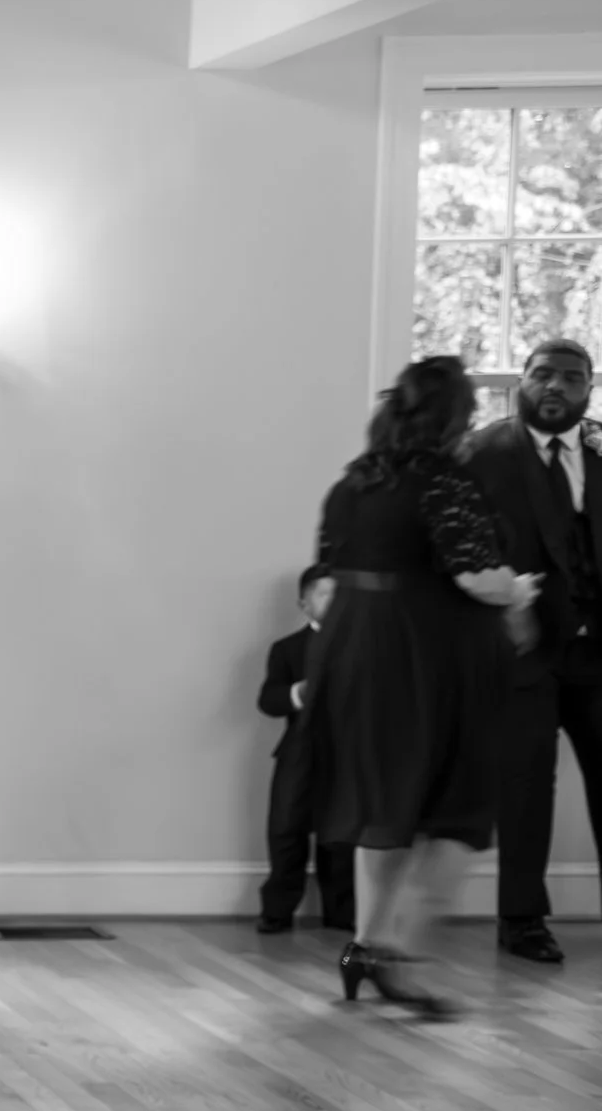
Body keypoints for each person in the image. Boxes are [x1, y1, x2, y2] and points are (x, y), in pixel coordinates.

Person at [311, 355, 537, 1020]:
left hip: (354, 648)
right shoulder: (443, 481)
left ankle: (364, 945)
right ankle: (397, 954)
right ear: (453, 419)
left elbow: (326, 575)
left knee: (387, 805)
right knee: (457, 808)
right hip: (425, 657)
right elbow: (474, 574)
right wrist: (517, 590)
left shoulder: (352, 484)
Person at [458, 337, 600, 965]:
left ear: (588, 391)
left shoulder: (600, 451)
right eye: (542, 374)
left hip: (598, 654)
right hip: (521, 648)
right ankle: (521, 920)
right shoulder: (482, 454)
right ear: (522, 381)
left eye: (571, 378)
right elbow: (459, 549)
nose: (555, 386)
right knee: (523, 788)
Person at [255, 563, 353, 934]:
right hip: (298, 750)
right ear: (304, 602)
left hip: (346, 752)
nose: (334, 601)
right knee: (286, 829)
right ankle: (277, 910)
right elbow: (268, 699)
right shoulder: (287, 649)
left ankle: (343, 911)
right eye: (325, 593)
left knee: (342, 834)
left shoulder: (365, 647)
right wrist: (298, 692)